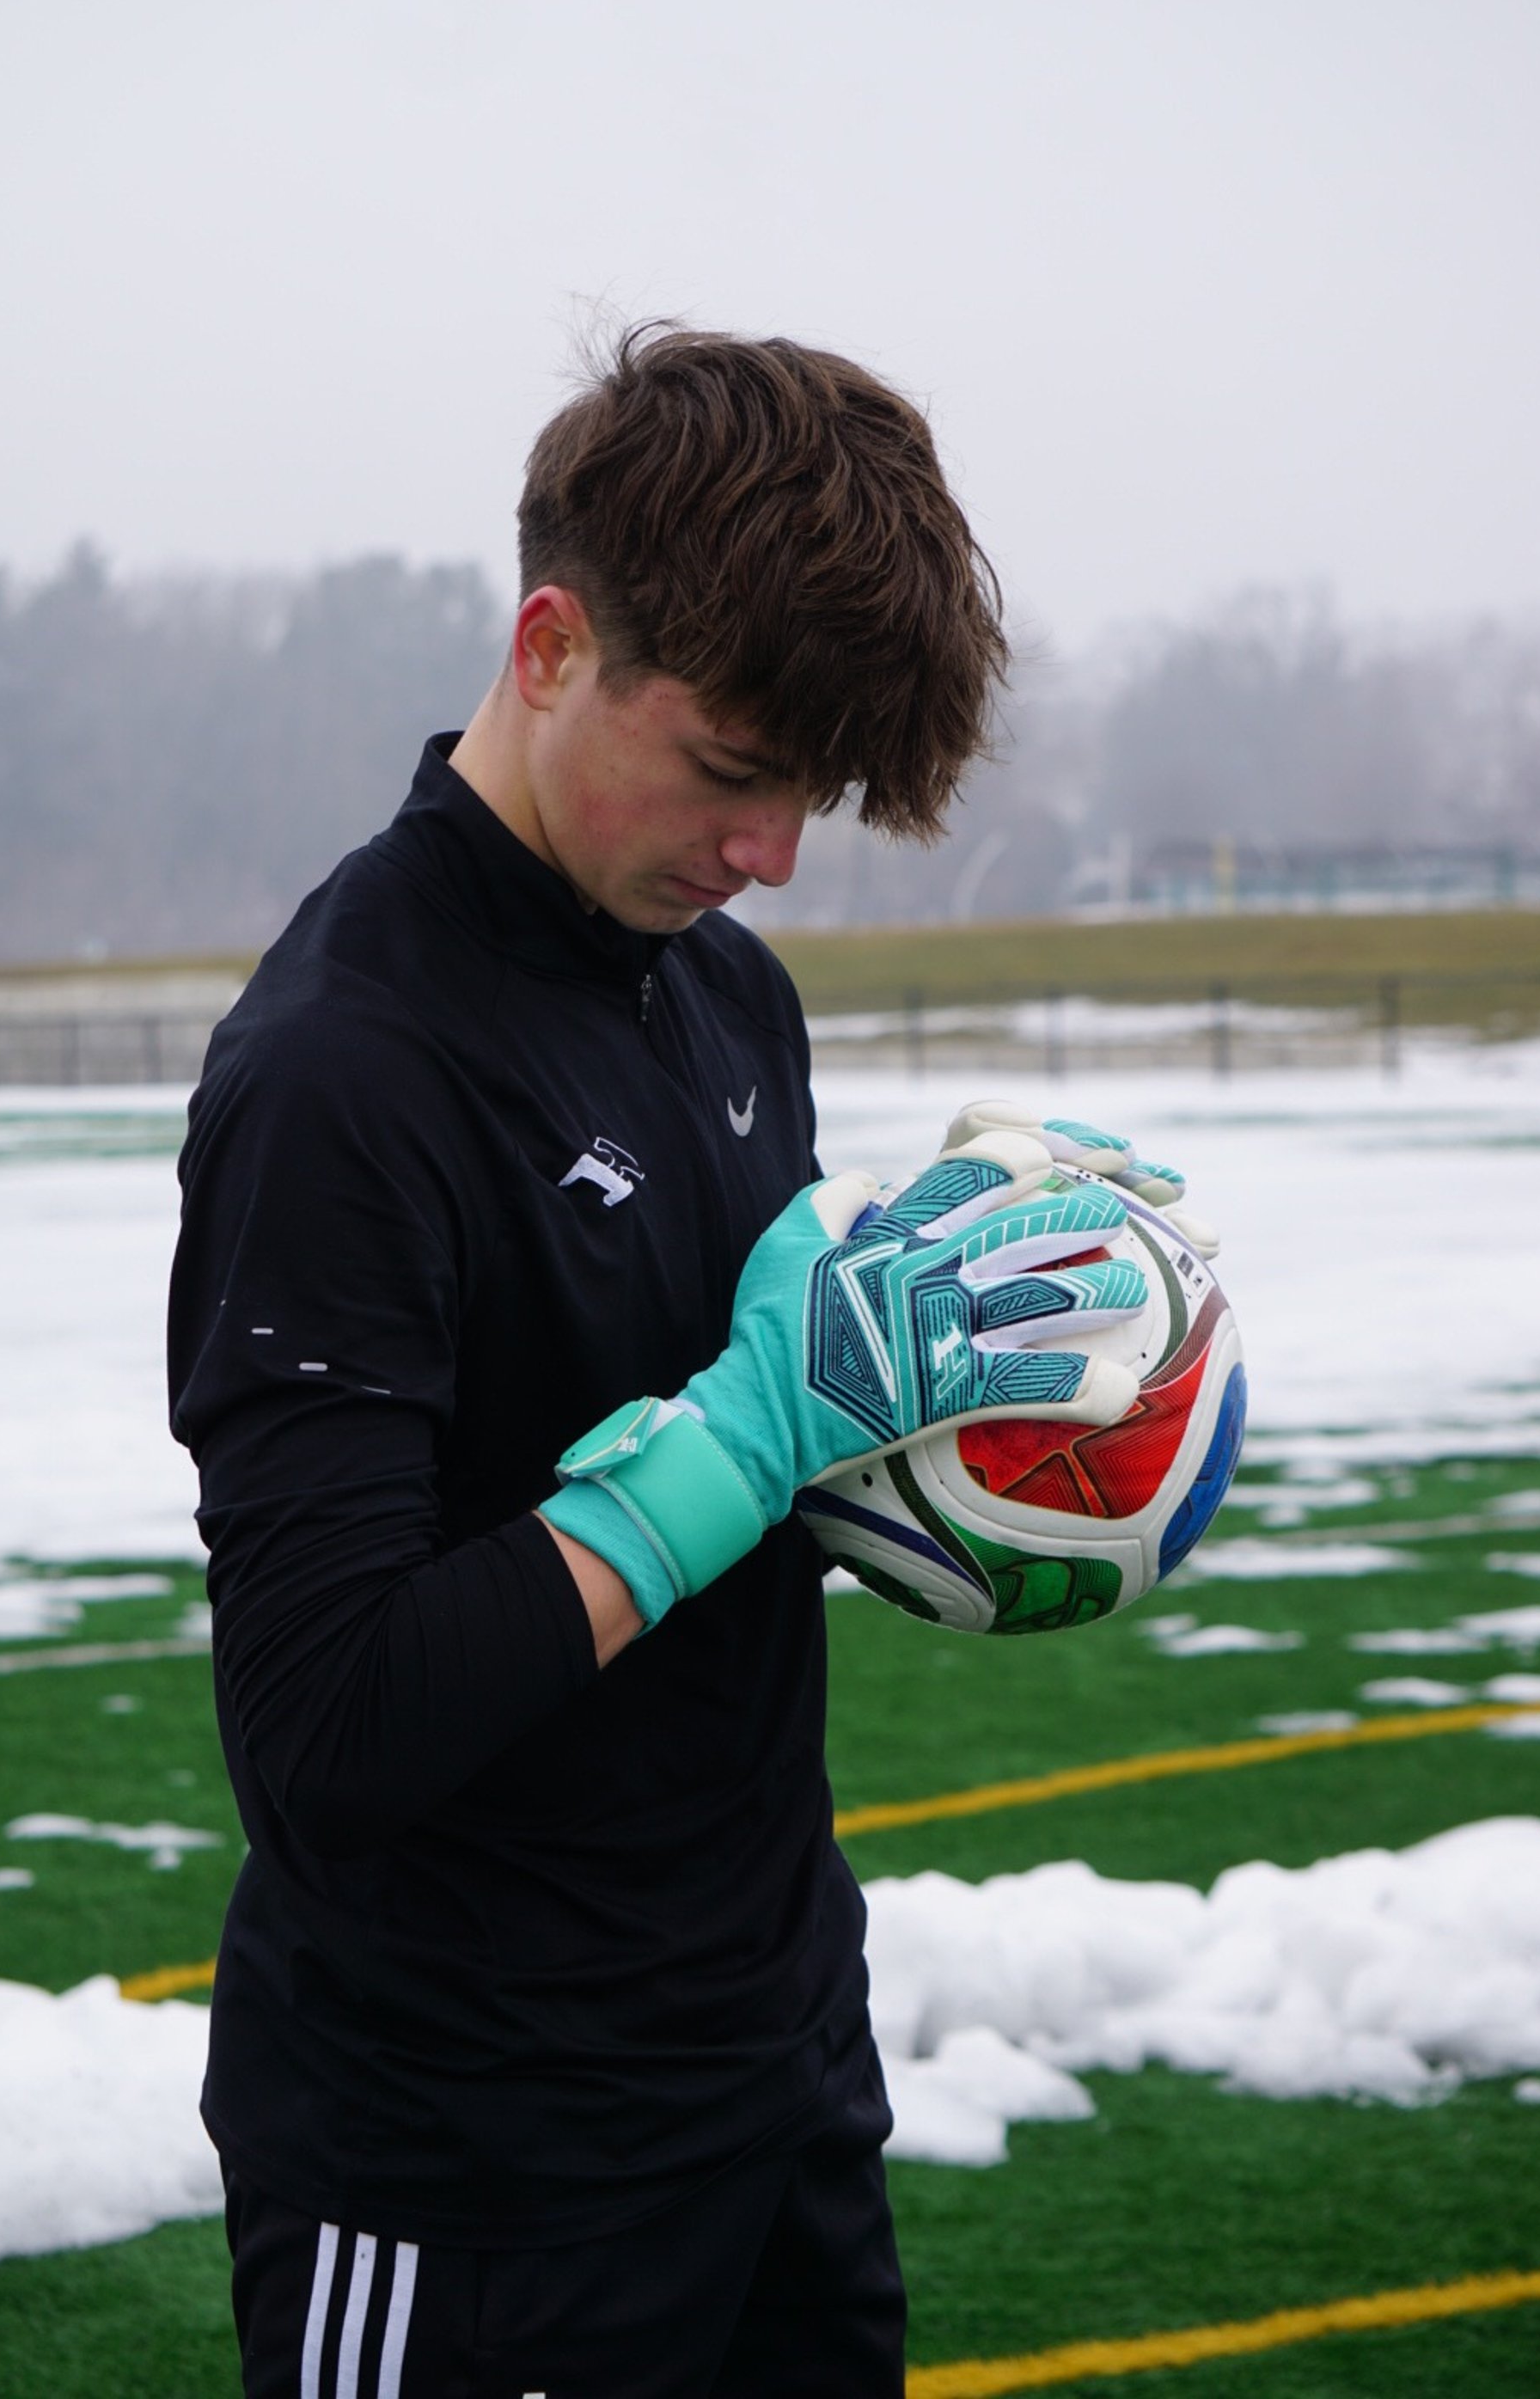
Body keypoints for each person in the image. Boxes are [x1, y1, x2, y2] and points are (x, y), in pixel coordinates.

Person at [167, 325, 1154, 2398]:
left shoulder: (729, 1001)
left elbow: (749, 1480)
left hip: (774, 2080)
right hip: (467, 2167)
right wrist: (739, 1439)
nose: (772, 850)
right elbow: (325, 1735)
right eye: (731, 769)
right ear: (552, 647)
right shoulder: (344, 1070)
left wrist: (930, 1430)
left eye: (814, 796)